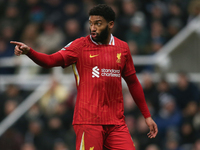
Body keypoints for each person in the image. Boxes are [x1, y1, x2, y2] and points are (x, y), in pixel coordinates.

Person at [11, 4, 158, 150]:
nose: (93, 28)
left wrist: (147, 115)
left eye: (98, 23)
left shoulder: (122, 48)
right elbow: (50, 61)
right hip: (88, 121)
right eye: (91, 23)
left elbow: (133, 83)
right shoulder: (79, 46)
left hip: (116, 122)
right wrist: (30, 52)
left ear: (111, 24)